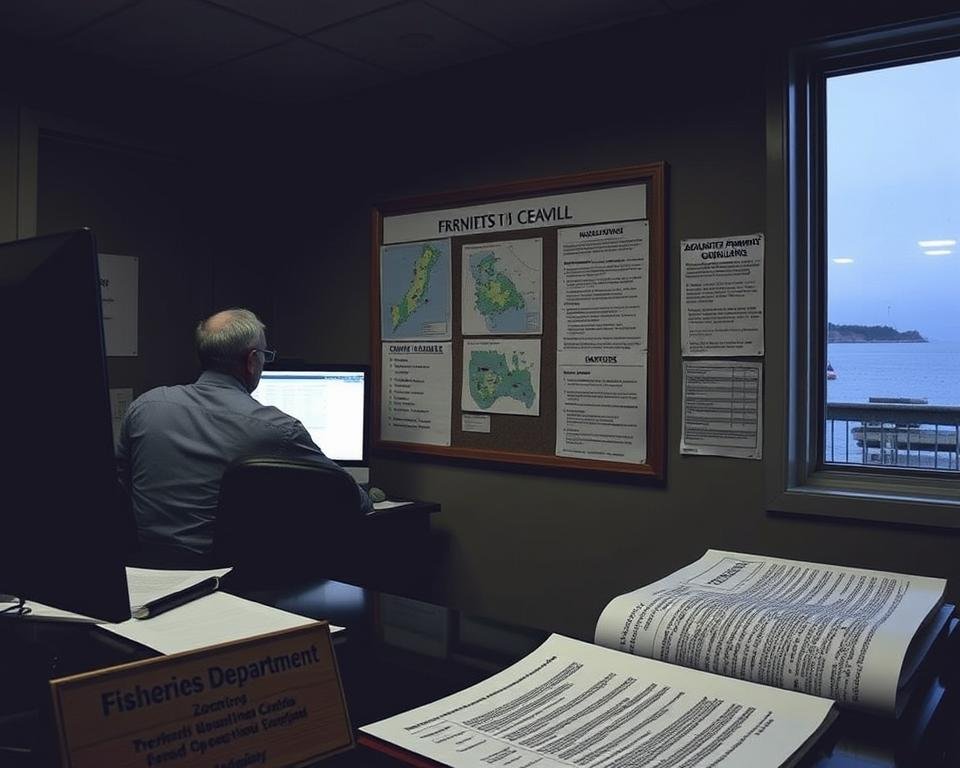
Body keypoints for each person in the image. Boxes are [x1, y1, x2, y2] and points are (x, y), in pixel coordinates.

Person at [116, 308, 371, 558]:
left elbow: (118, 483)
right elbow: (352, 499)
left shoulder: (145, 406)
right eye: (264, 355)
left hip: (142, 570)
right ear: (251, 361)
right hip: (223, 578)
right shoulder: (278, 429)